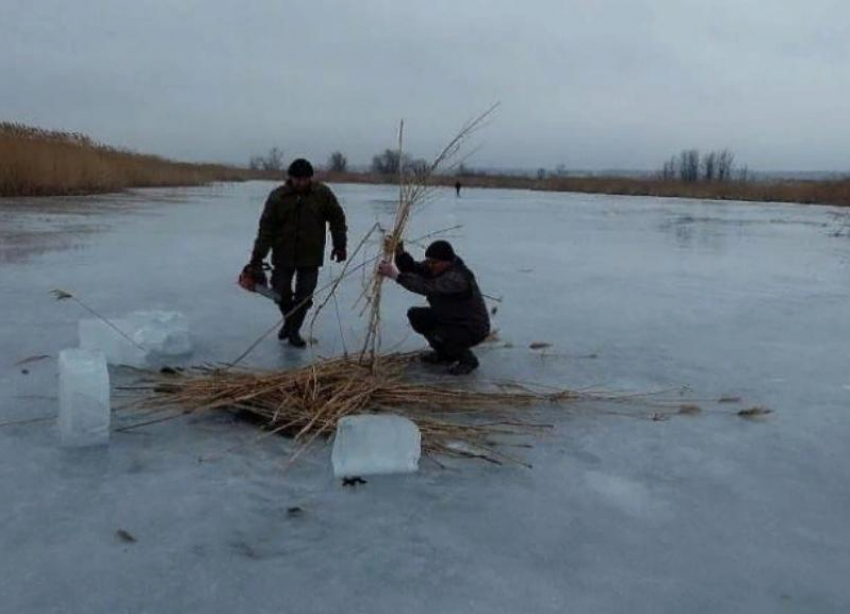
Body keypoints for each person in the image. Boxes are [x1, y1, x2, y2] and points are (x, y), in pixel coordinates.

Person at [242, 158, 347, 347]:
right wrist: (257, 258)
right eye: (296, 179)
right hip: (283, 255)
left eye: (304, 179)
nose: (300, 183)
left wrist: (340, 245)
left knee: (304, 295)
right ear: (290, 177)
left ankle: (294, 331)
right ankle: (290, 322)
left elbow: (337, 219)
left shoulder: (322, 194)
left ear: (310, 178)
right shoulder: (277, 197)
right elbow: (266, 230)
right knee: (279, 293)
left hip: (311, 255)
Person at [377, 240, 490, 375]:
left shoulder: (457, 278)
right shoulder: (438, 267)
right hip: (450, 317)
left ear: (446, 261)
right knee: (418, 316)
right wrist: (400, 253)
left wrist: (396, 276)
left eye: (434, 262)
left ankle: (467, 360)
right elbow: (413, 268)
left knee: (442, 335)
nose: (430, 265)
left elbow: (426, 287)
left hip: (471, 327)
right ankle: (445, 355)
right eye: (429, 261)